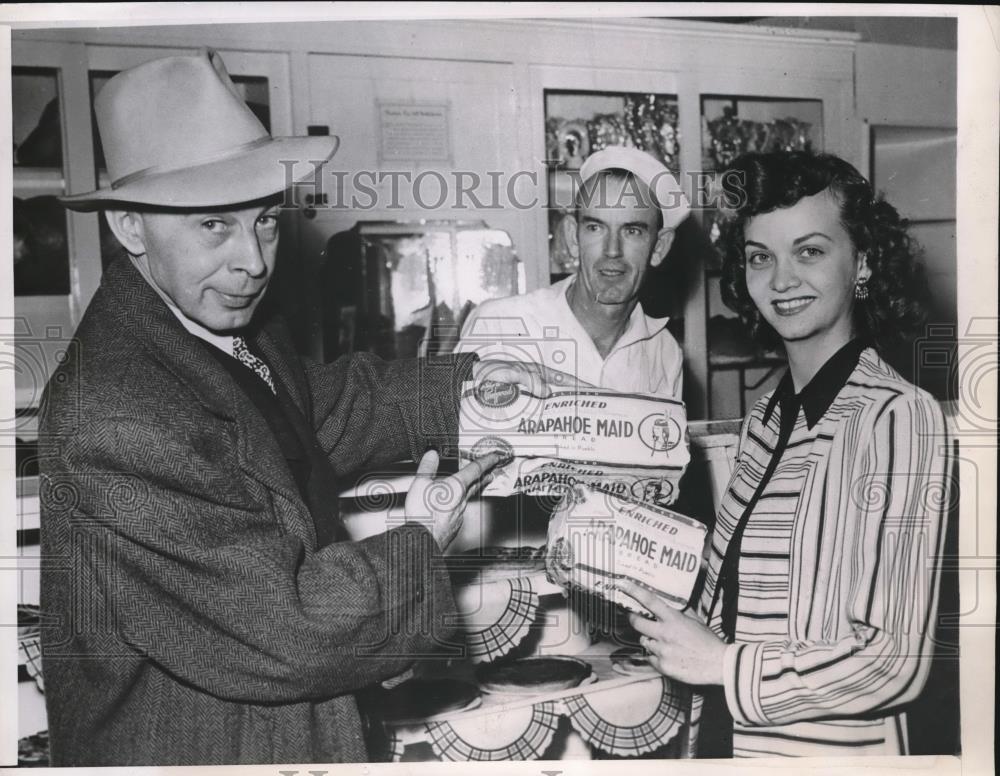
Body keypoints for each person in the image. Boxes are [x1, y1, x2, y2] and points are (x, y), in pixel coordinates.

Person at [38, 49, 558, 766]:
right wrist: (422, 540)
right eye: (214, 227)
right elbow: (285, 627)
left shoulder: (221, 329)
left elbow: (321, 411)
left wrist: (466, 385)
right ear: (130, 227)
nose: (252, 260)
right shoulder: (113, 416)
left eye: (265, 222)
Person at [622, 151, 952, 757]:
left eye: (810, 251)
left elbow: (892, 659)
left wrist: (722, 664)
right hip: (731, 742)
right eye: (759, 257)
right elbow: (734, 601)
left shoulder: (896, 416)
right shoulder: (766, 418)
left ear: (863, 264)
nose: (780, 280)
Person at [459, 145, 690, 400]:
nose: (612, 250)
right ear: (572, 236)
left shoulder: (664, 352)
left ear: (659, 247)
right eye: (595, 227)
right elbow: (437, 433)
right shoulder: (498, 326)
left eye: (632, 231)